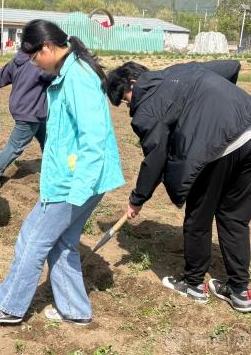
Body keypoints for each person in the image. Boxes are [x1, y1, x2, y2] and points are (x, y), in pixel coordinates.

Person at [0, 20, 124, 325]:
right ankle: (74, 310)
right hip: (76, 177)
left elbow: (93, 138)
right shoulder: (69, 71)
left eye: (34, 57)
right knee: (62, 242)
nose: (34, 64)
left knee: (32, 239)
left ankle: (8, 306)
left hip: (74, 181)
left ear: (47, 47)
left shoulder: (78, 77)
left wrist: (78, 189)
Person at [105, 59, 251, 312]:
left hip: (216, 148)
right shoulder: (183, 70)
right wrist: (217, 104)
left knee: (198, 218)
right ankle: (240, 292)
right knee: (234, 217)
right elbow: (231, 67)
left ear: (133, 83)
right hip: (248, 131)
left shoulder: (146, 109)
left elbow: (155, 158)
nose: (130, 106)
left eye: (126, 100)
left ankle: (193, 284)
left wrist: (137, 199)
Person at [0, 42, 54, 191]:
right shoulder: (41, 63)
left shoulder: (18, 59)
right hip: (30, 112)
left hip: (31, 111)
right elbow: (54, 73)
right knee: (15, 147)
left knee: (49, 141)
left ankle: (53, 172)